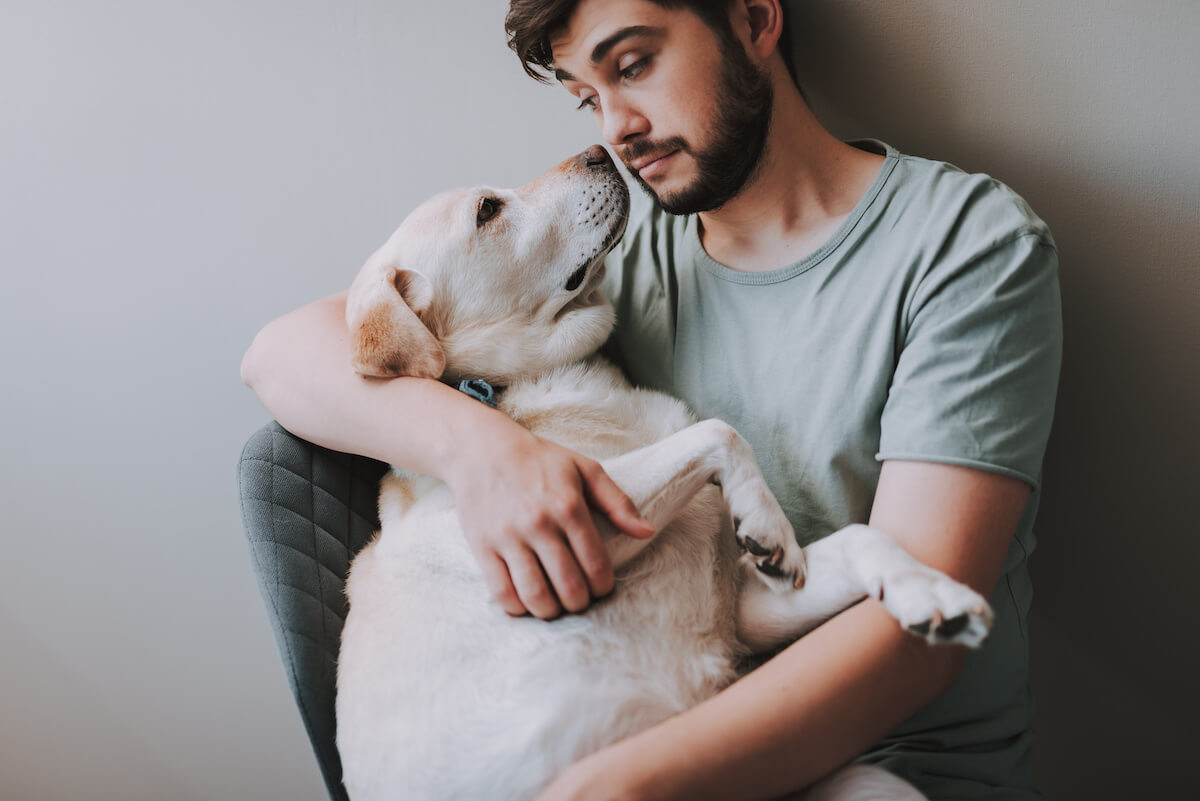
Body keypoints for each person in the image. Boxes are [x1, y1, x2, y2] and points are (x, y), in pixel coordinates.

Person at [241, 0, 1062, 798]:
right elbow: (280, 355)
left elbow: (913, 644)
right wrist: (484, 451)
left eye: (633, 65)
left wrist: (624, 782)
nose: (614, 127)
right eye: (588, 98)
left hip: (882, 763)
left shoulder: (963, 246)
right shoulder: (610, 271)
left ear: (754, 18)